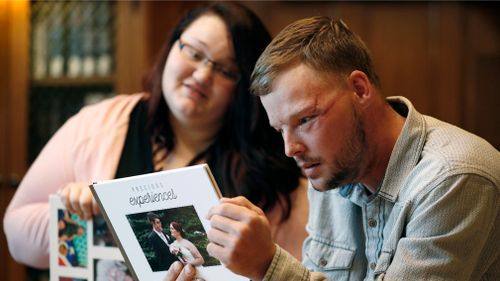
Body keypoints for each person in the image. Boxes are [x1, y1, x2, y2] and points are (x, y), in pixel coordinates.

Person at [166, 16, 500, 281]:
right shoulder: (330, 169)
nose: (290, 149)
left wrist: (268, 265)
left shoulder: (455, 177)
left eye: (306, 119)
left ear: (359, 88)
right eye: (280, 129)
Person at [3, 2, 308, 269]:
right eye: (194, 53)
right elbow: (16, 234)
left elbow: (295, 269)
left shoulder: (272, 171)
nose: (202, 75)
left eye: (226, 70)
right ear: (172, 46)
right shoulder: (100, 125)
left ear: (245, 89)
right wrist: (79, 216)